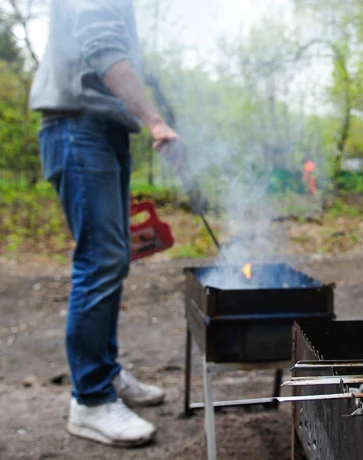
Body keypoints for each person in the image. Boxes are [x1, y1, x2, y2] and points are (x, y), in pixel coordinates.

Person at [29, 0, 181, 447]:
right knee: (99, 261)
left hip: (101, 129)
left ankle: (106, 374)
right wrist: (155, 121)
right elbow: (104, 50)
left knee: (112, 260)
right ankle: (91, 400)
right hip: (79, 129)